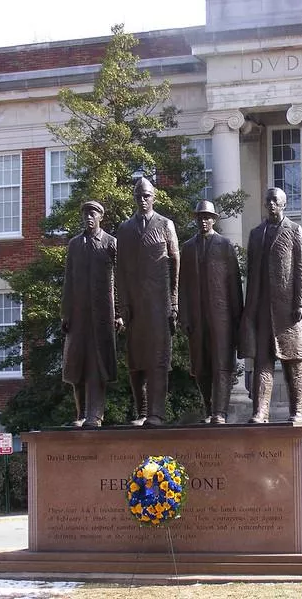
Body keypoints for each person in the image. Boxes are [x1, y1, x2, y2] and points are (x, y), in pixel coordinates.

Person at [239, 187, 302, 424]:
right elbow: (250, 272)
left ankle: (297, 411)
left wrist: (300, 302)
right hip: (261, 309)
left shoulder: (294, 230)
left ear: (284, 204)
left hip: (288, 310)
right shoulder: (256, 234)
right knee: (262, 363)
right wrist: (249, 310)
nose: (270, 204)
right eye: (267, 201)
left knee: (294, 363)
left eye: (275, 201)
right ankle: (261, 411)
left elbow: (301, 268)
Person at [116, 177, 180, 426]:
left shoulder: (166, 224)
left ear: (154, 197)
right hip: (134, 304)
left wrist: (174, 302)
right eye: (139, 196)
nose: (143, 200)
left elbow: (175, 262)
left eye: (147, 196)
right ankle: (141, 411)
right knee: (135, 360)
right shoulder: (124, 229)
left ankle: (156, 413)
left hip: (159, 303)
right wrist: (122, 306)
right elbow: (120, 270)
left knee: (158, 359)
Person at [178, 200, 243, 424]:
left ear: (214, 220)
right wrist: (184, 316)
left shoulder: (224, 246)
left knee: (222, 365)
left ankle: (220, 412)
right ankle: (208, 409)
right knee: (201, 367)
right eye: (200, 217)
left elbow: (234, 284)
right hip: (197, 318)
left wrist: (237, 318)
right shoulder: (187, 248)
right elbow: (182, 285)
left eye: (207, 217)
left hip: (222, 318)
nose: (203, 221)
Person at [61, 200, 120, 428]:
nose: (88, 217)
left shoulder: (111, 243)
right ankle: (80, 414)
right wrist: (65, 314)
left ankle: (95, 415)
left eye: (93, 214)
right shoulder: (75, 244)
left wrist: (120, 312)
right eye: (85, 214)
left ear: (100, 217)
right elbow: (68, 281)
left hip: (103, 315)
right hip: (78, 315)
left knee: (98, 364)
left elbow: (121, 280)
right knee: (76, 365)